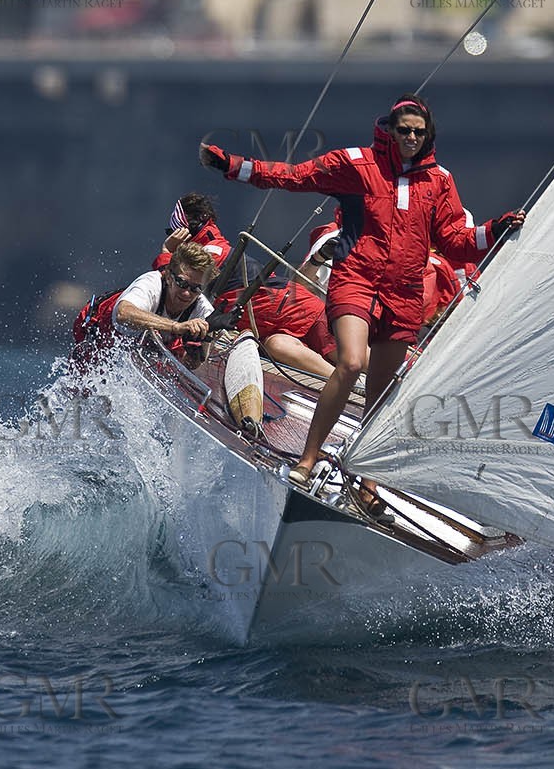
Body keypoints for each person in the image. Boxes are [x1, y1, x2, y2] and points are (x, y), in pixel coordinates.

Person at [201, 95, 525, 518]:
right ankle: (307, 459)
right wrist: (233, 167)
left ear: (428, 136)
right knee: (351, 363)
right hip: (356, 280)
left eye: (418, 132)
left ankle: (368, 482)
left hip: (404, 295)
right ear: (390, 129)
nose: (410, 137)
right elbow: (292, 177)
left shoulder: (440, 180)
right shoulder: (356, 163)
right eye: (403, 129)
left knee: (380, 392)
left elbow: (455, 241)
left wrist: (495, 229)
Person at [72, 241, 216, 367]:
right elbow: (123, 313)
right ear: (168, 277)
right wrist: (176, 327)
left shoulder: (204, 311)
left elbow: (191, 364)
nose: (187, 293)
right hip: (99, 334)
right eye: (182, 283)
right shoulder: (151, 283)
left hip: (138, 347)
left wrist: (196, 356)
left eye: (196, 288)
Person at [236, 225, 341, 380]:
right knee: (277, 345)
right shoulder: (334, 238)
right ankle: (350, 383)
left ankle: (377, 378)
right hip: (295, 328)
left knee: (341, 344)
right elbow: (301, 286)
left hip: (336, 325)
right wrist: (318, 258)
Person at [153, 193, 231, 275]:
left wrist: (167, 251)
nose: (173, 237)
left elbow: (175, 284)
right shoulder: (214, 248)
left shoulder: (213, 253)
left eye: (177, 229)